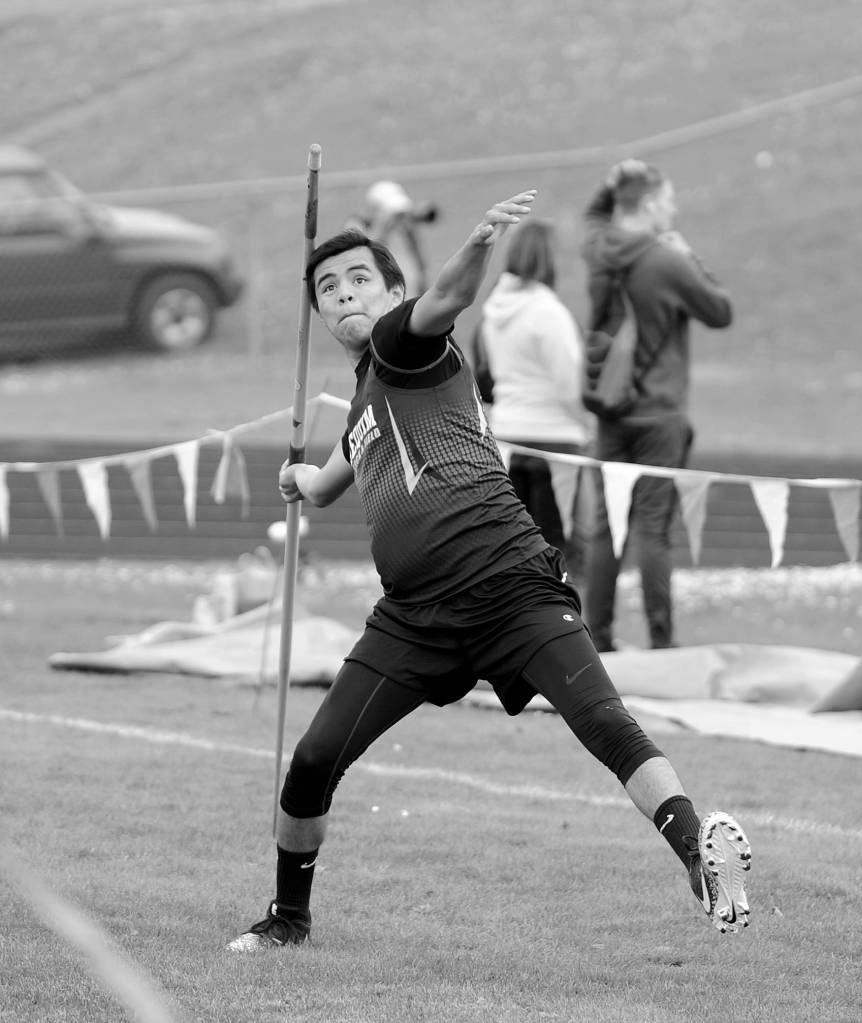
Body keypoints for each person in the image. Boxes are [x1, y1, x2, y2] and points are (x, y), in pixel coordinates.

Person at [227, 188, 751, 952]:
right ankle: (287, 917)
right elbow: (335, 474)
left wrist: (475, 245)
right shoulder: (362, 403)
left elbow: (445, 299)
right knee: (311, 761)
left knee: (604, 721)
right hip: (413, 617)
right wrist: (300, 482)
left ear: (393, 290)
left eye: (359, 279)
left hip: (510, 586)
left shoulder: (407, 348)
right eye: (327, 288)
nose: (343, 293)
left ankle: (702, 865)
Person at [579, 159, 733, 653]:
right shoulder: (667, 260)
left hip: (608, 408)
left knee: (607, 529)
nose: (674, 208)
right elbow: (720, 311)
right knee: (654, 530)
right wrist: (690, 256)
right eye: (667, 199)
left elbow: (596, 214)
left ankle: (597, 638)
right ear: (647, 205)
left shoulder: (599, 249)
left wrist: (612, 185)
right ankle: (661, 645)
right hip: (659, 411)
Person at [472, 217, 590, 556]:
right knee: (557, 546)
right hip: (555, 439)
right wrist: (586, 424)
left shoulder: (493, 312)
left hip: (508, 436)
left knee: (516, 550)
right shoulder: (549, 313)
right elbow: (569, 383)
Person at [344, 180, 438, 298]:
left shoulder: (404, 229)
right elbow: (366, 253)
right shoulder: (357, 226)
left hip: (407, 300)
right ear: (374, 209)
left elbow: (420, 264)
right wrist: (385, 227)